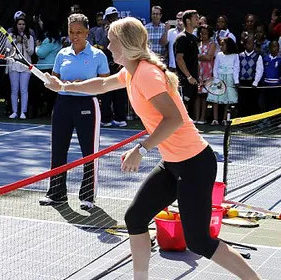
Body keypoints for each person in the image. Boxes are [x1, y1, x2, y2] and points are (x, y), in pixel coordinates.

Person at [43, 16, 262, 280]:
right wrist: (64, 86)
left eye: (111, 41)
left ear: (124, 44)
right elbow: (101, 85)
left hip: (195, 164)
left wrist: (141, 150)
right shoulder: (131, 71)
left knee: (199, 242)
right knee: (135, 219)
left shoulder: (146, 74)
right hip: (172, 163)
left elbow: (174, 119)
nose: (107, 46)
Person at [38, 13, 110, 211]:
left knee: (89, 153)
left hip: (87, 105)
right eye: (71, 32)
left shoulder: (98, 55)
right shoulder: (62, 54)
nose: (74, 36)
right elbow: (54, 82)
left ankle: (87, 197)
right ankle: (56, 193)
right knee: (58, 149)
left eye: (79, 32)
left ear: (87, 32)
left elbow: (105, 84)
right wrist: (52, 83)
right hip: (63, 105)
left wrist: (83, 85)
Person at [207, 37, 239, 126]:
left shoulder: (235, 55)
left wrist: (236, 81)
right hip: (219, 78)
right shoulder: (219, 55)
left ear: (228, 45)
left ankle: (225, 119)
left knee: (227, 100)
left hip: (229, 78)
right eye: (220, 45)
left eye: (223, 45)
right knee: (216, 99)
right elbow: (215, 67)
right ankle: (215, 119)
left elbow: (236, 68)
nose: (221, 47)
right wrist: (216, 79)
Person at [174, 10, 199, 113]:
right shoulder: (182, 38)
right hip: (184, 80)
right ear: (188, 21)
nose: (198, 20)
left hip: (193, 79)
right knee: (183, 105)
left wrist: (198, 76)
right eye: (196, 18)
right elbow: (179, 58)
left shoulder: (194, 38)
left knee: (189, 106)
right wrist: (188, 77)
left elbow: (195, 59)